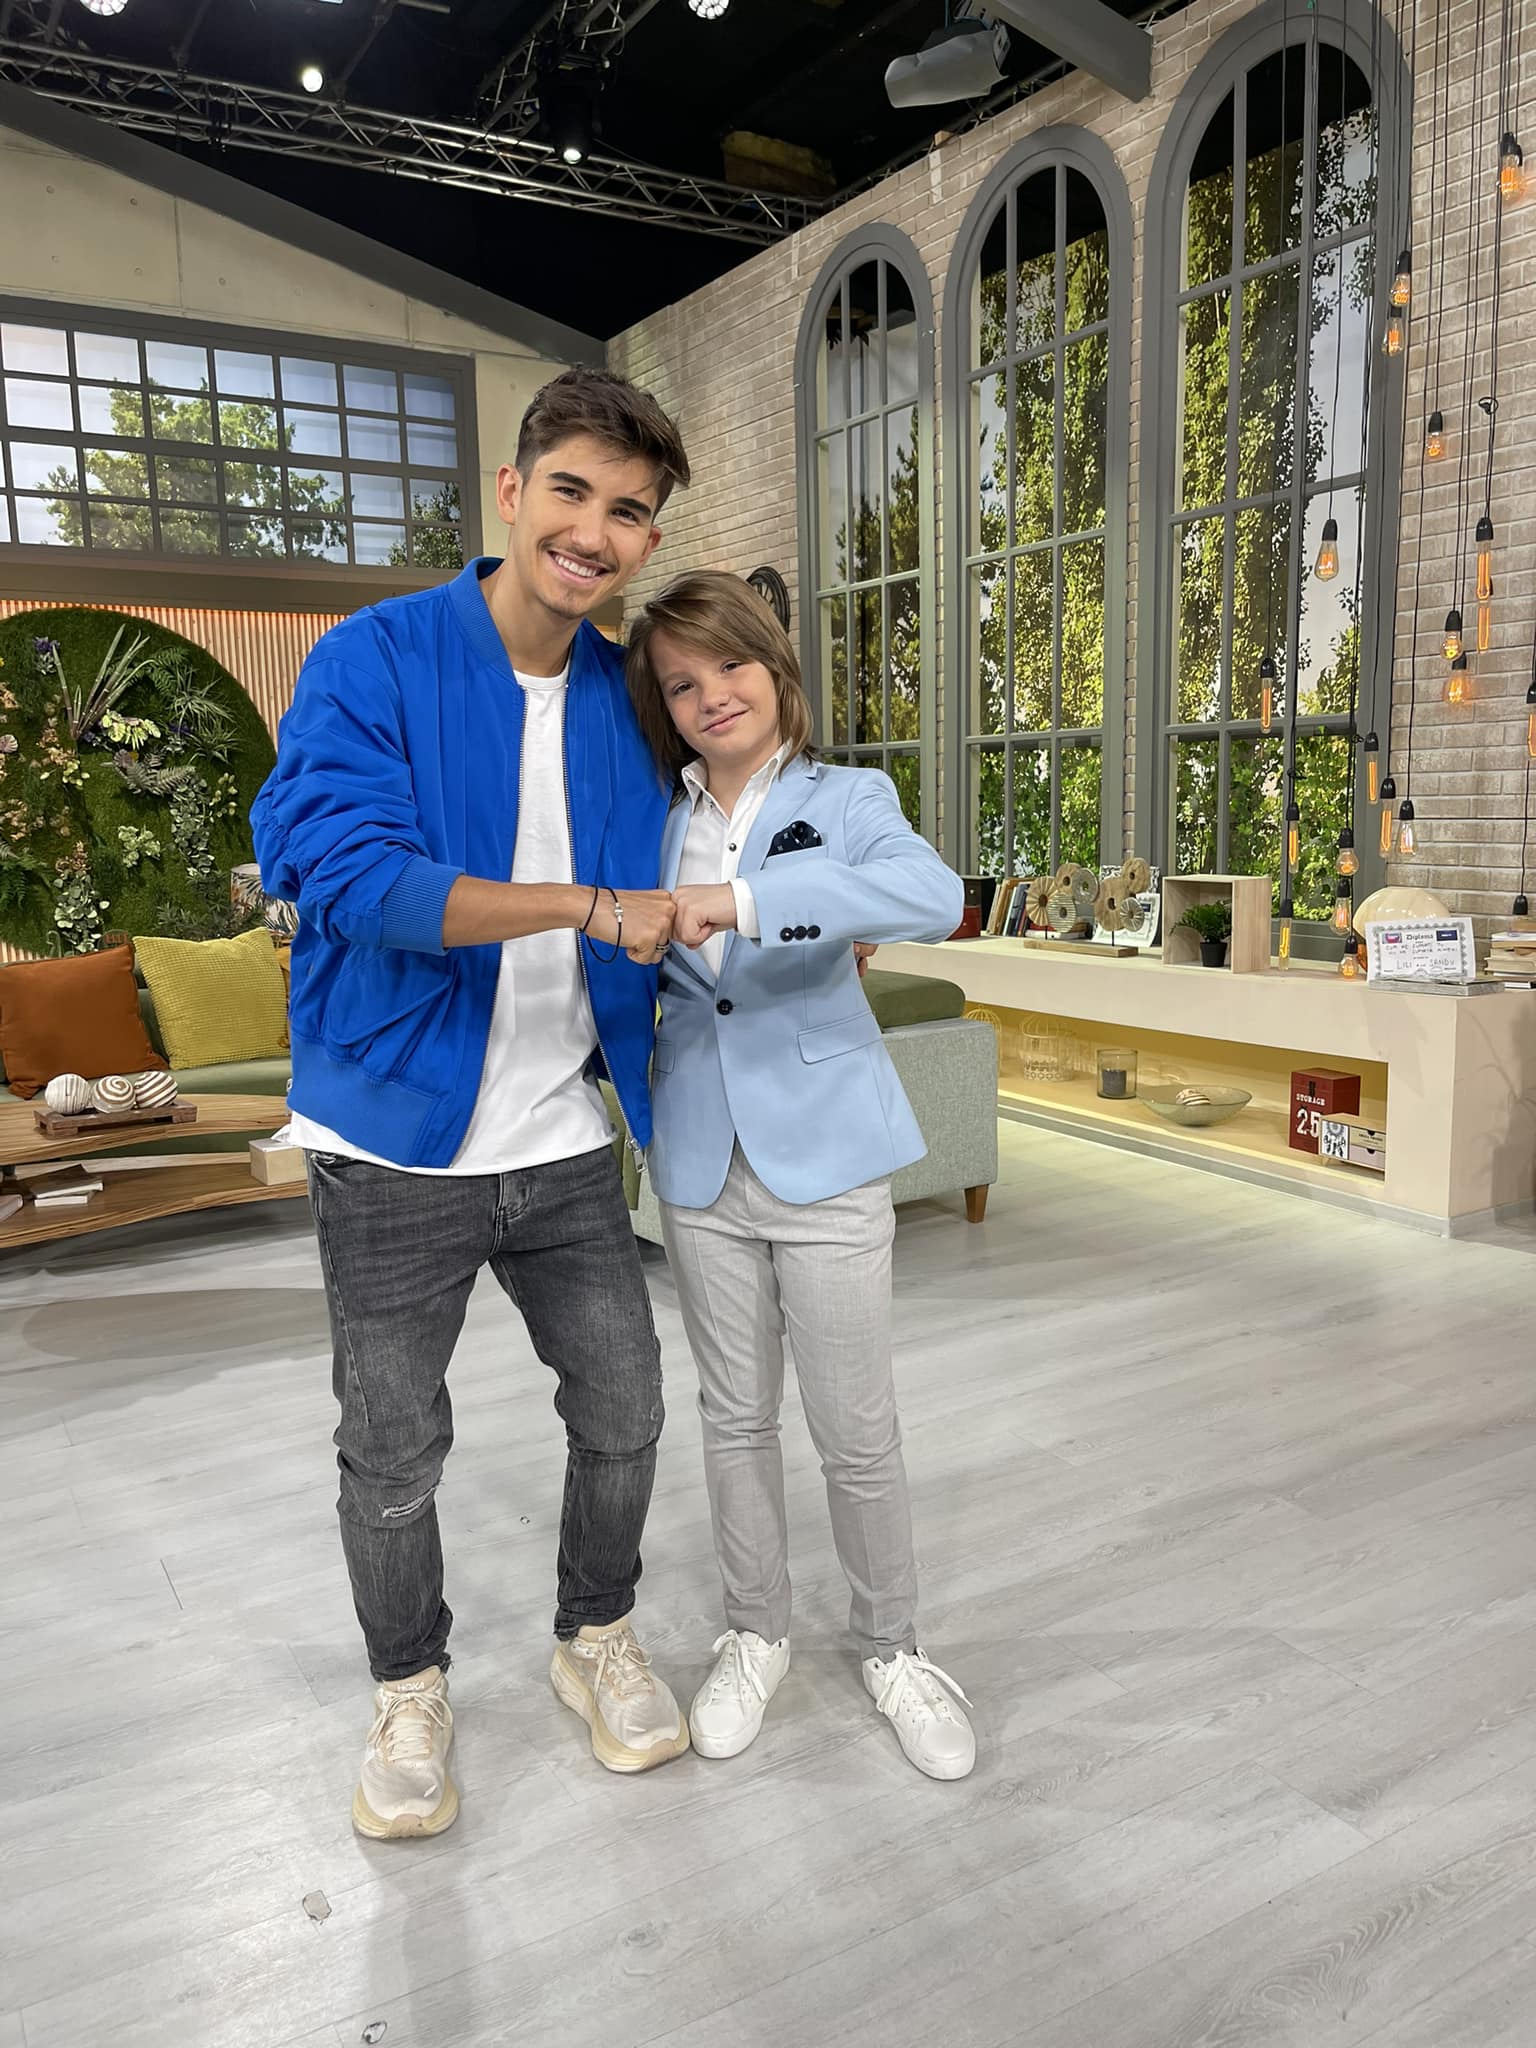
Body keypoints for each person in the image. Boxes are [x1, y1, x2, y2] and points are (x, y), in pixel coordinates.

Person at [250, 369, 695, 1841]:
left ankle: (595, 1631)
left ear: (646, 539)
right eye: (570, 490)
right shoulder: (372, 659)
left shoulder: (632, 697)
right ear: (511, 491)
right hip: (392, 1137)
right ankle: (409, 1686)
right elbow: (352, 878)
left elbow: (725, 816)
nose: (593, 531)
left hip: (564, 1137)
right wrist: (583, 902)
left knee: (625, 1404)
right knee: (392, 1449)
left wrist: (807, 912)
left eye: (628, 510)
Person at [624, 570, 978, 1781]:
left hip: (826, 1154)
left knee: (855, 1427)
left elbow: (932, 897)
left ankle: (892, 1645)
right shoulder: (646, 815)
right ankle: (755, 1632)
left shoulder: (848, 797)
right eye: (682, 682)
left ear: (776, 669)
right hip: (696, 1152)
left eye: (730, 665)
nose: (711, 695)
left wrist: (743, 898)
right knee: (733, 1417)